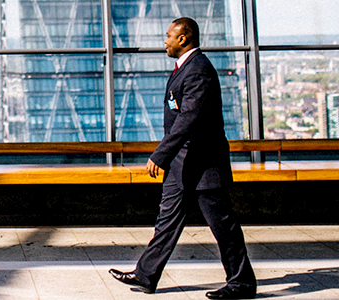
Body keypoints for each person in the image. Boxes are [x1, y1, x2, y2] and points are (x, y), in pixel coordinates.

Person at [108, 17, 257, 299]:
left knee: (223, 225)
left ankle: (242, 283)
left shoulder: (198, 70)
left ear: (183, 39)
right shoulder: (185, 68)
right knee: (166, 221)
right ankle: (145, 274)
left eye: (168, 36)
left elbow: (189, 119)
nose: (164, 41)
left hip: (203, 165)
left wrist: (161, 154)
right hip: (182, 165)